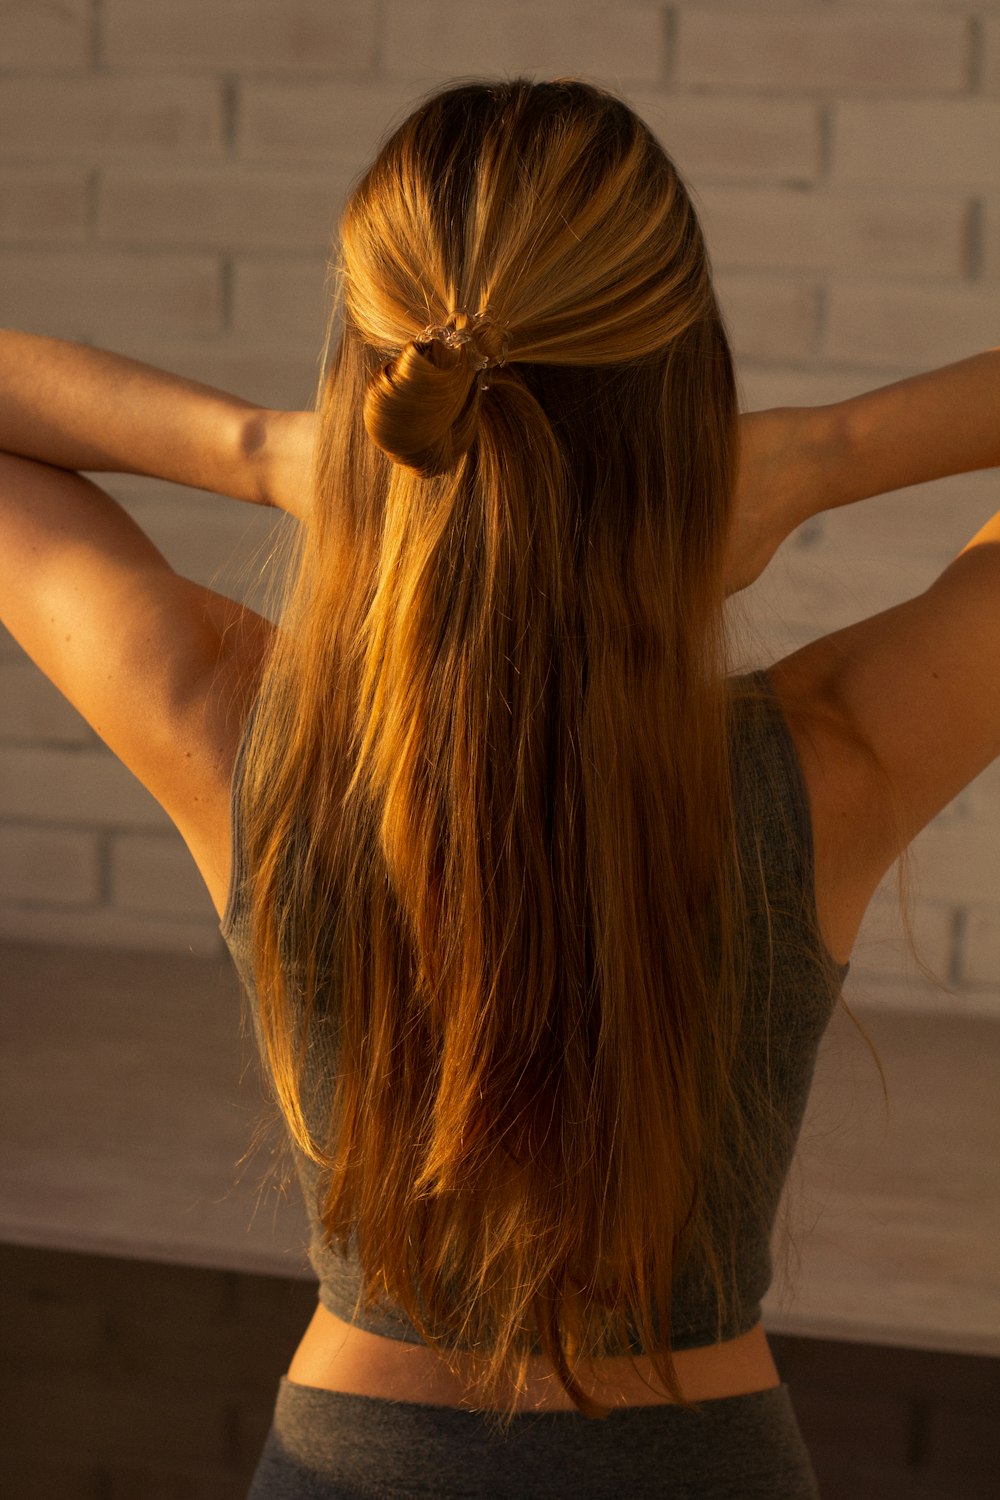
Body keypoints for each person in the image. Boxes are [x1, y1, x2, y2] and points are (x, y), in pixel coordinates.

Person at [0, 77, 997, 1500]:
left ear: (374, 383)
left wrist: (272, 454)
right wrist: (819, 456)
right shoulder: (836, 757)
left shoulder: (242, 733)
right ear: (690, 402)